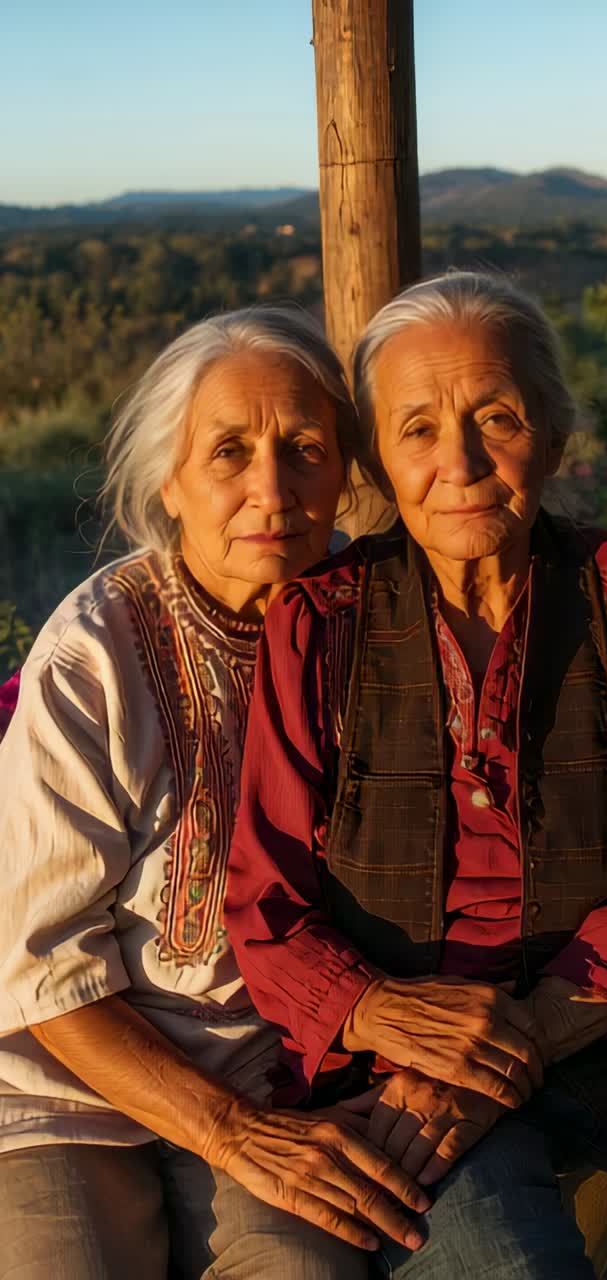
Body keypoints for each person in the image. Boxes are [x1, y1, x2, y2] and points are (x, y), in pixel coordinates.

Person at [226, 272, 607, 1278]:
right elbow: (267, 908)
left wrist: (510, 1046)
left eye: (495, 416)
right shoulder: (319, 624)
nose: (459, 462)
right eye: (416, 428)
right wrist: (387, 1013)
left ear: (555, 434)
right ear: (376, 459)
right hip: (402, 1083)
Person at [0, 308, 429, 1280]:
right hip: (64, 1083)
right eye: (229, 450)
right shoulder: (95, 651)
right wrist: (228, 1133)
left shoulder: (377, 632)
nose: (270, 488)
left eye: (305, 448)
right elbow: (42, 967)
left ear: (345, 474)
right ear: (170, 478)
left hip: (270, 1078)